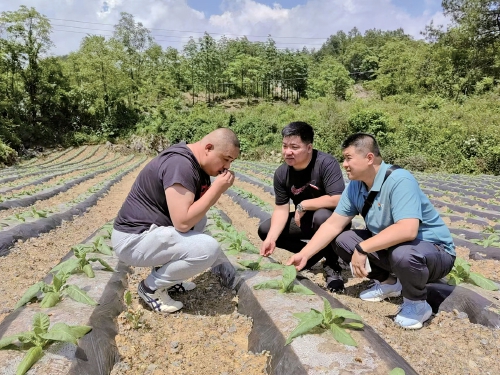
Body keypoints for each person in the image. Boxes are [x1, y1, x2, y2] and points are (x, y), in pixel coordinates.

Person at [287, 133, 456, 329]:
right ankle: (390, 283)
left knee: (403, 254)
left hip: (433, 253)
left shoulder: (400, 180)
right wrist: (304, 254)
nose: (344, 164)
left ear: (368, 158)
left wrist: (363, 248)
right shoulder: (355, 187)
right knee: (343, 240)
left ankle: (417, 303)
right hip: (395, 249)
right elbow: (333, 224)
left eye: (348, 158)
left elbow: (408, 230)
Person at [111, 128, 240, 313]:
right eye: (226, 159)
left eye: (231, 161)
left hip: (149, 233)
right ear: (208, 148)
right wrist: (217, 189)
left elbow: (192, 215)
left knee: (200, 221)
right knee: (208, 249)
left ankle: (168, 282)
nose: (227, 167)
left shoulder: (197, 164)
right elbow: (182, 222)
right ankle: (151, 288)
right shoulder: (181, 165)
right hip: (133, 240)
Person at [258, 121, 348, 292]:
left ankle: (333, 267)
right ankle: (311, 256)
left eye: (294, 147)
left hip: (333, 222)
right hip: (305, 221)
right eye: (284, 146)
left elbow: (338, 199)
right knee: (265, 230)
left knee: (322, 216)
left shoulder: (325, 163)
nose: (287, 152)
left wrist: (304, 204)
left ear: (308, 147)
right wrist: (271, 238)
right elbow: (281, 209)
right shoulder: (282, 173)